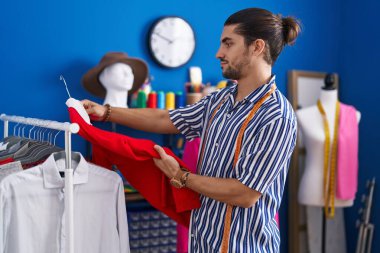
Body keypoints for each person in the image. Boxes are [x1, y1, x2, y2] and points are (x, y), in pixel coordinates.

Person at [82, 7, 301, 252]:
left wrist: (182, 178)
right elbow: (166, 118)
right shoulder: (220, 100)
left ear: (257, 47)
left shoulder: (276, 116)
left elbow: (245, 194)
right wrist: (107, 112)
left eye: (228, 44)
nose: (219, 53)